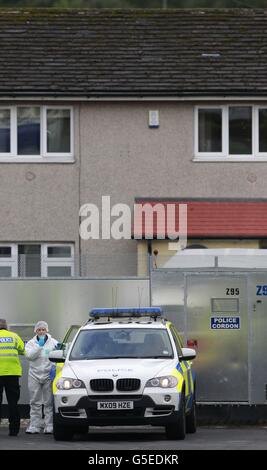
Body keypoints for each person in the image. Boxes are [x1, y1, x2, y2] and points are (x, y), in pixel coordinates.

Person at [25, 321, 58, 434]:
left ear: (47, 330)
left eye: (43, 329)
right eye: (39, 330)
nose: (41, 331)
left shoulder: (53, 342)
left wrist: (54, 369)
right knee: (35, 401)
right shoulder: (31, 343)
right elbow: (29, 356)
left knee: (48, 402)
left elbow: (58, 355)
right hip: (34, 374)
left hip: (48, 375)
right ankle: (35, 425)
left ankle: (49, 425)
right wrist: (39, 347)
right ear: (36, 331)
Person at [0, 318, 25, 436]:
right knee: (13, 402)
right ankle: (14, 430)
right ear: (6, 327)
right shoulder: (14, 336)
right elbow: (23, 350)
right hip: (12, 374)